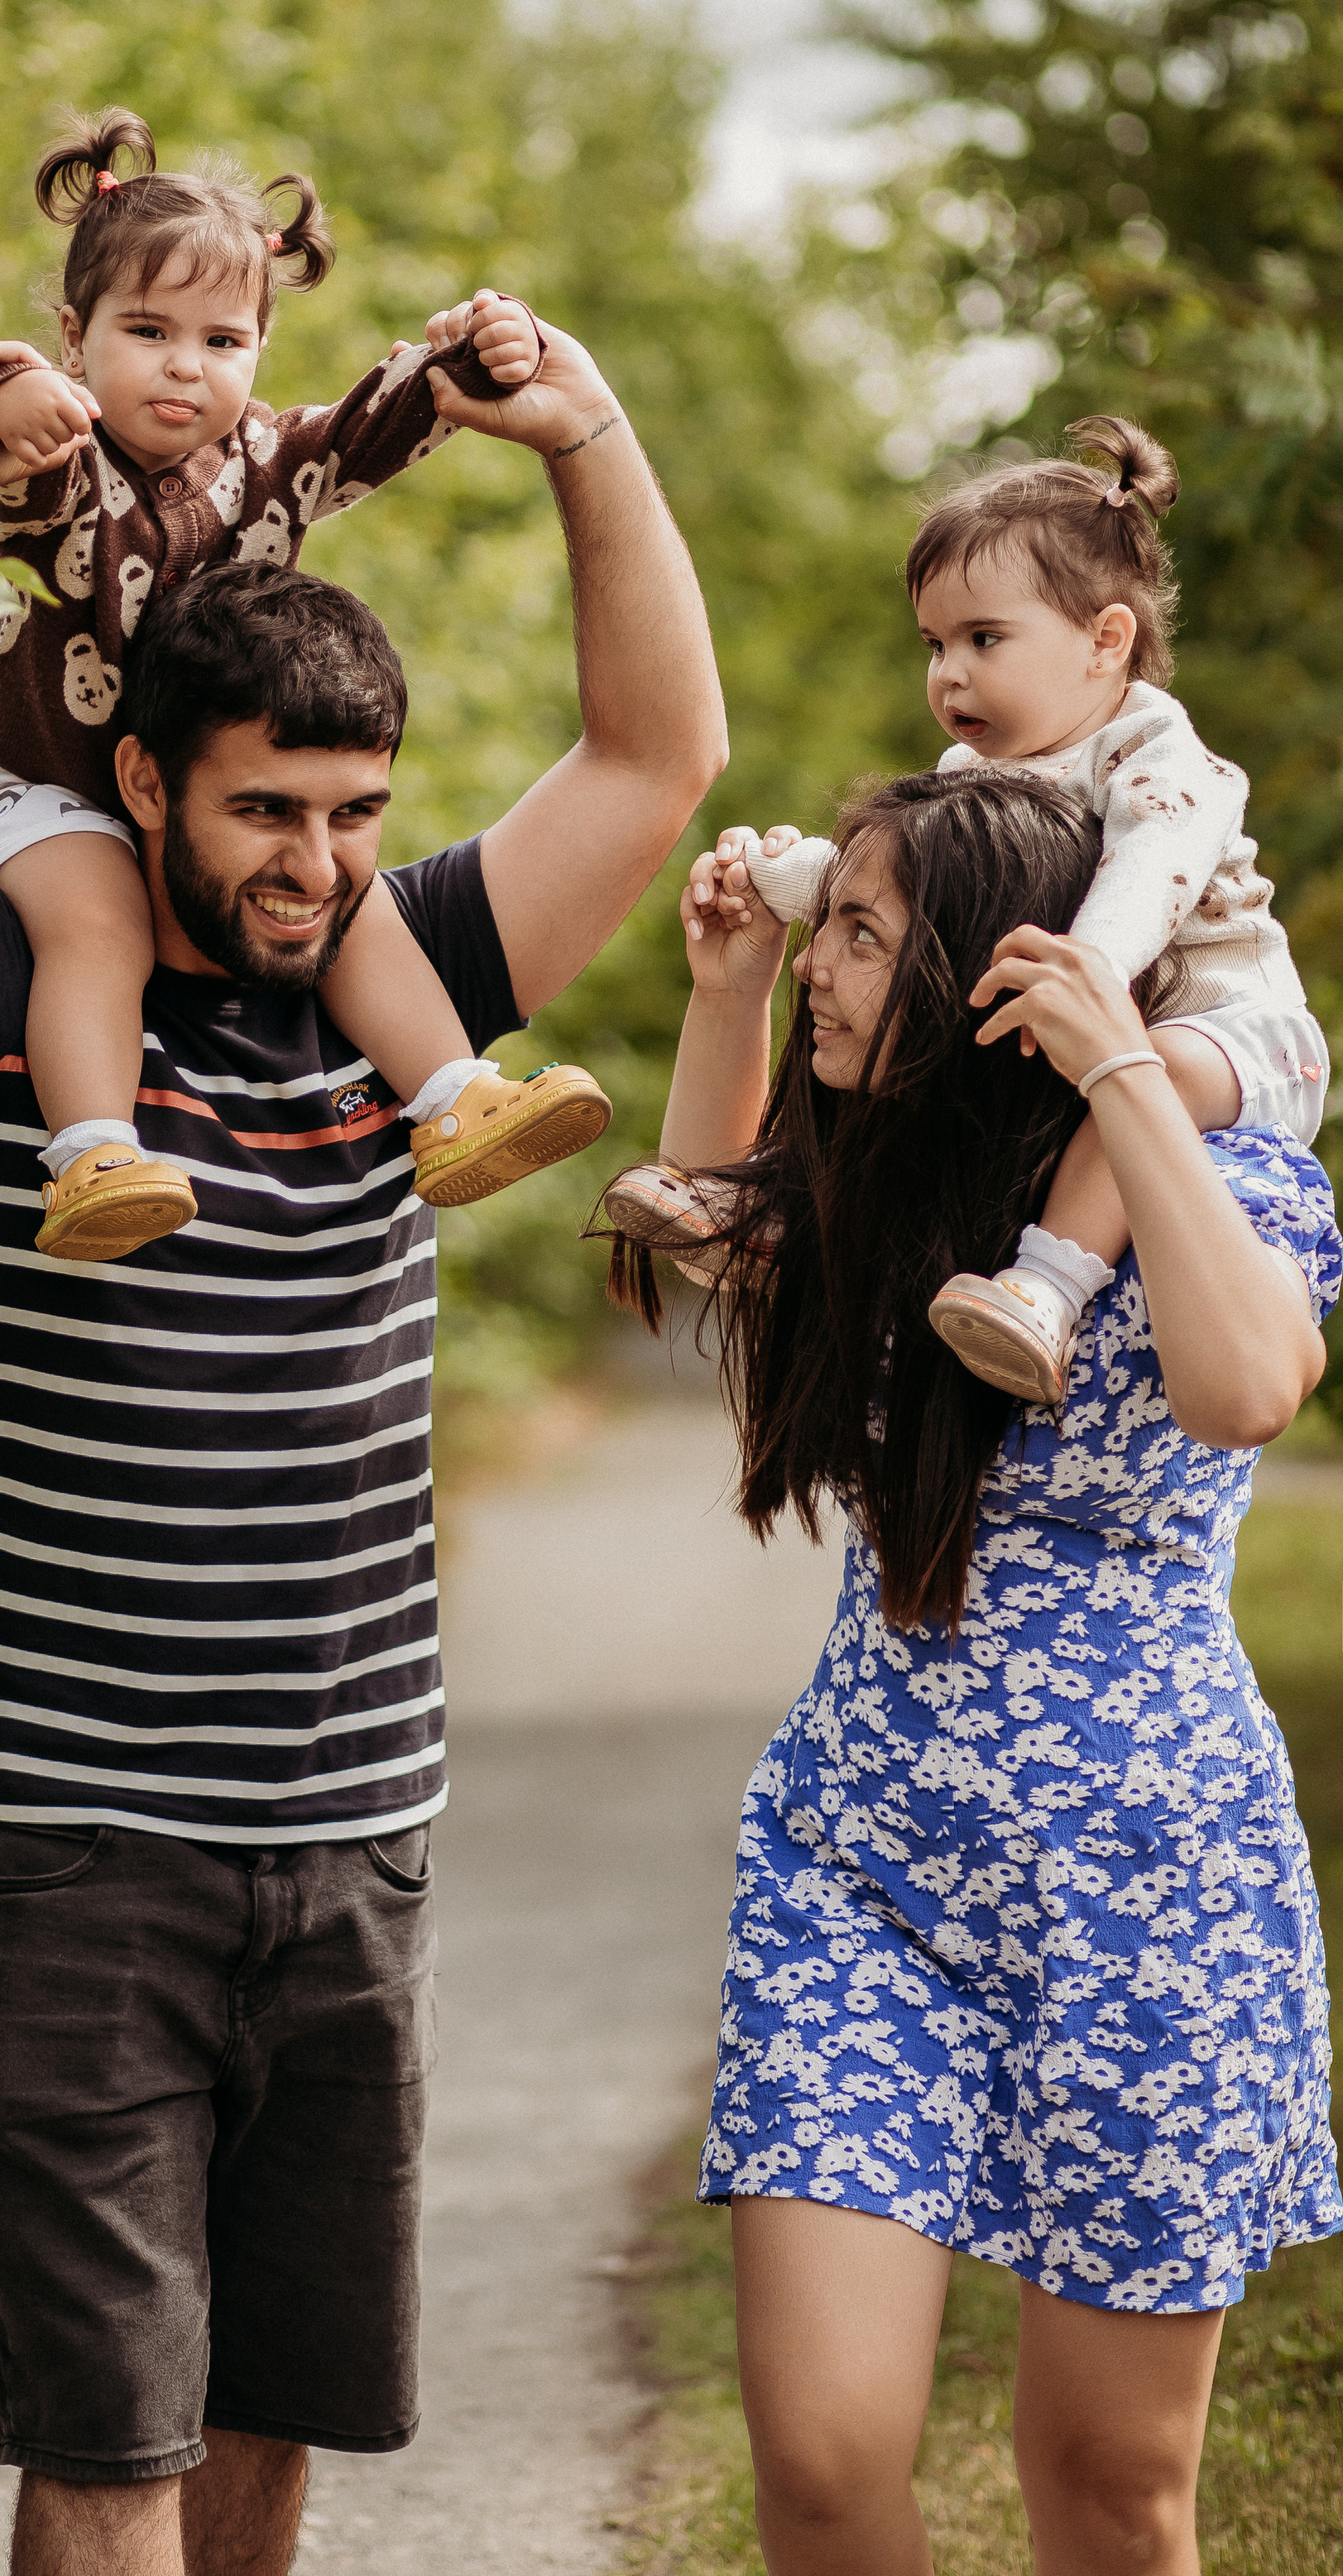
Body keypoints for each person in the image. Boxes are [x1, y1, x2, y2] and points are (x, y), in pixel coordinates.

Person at [0, 318, 726, 2576]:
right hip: (76, 1846)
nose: (317, 864)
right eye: (267, 811)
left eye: (355, 815)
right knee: (110, 2454)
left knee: (264, 2426)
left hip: (353, 1837)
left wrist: (586, 430)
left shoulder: (403, 987)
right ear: (145, 784)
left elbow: (655, 756)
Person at [620, 770, 1339, 2576]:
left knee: (1110, 2488)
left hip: (1145, 1898)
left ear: (981, 972)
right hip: (859, 1871)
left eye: (861, 937)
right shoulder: (885, 1179)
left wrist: (1118, 1066)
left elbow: (1248, 1387)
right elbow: (694, 1222)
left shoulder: (1218, 1176)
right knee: (819, 2455)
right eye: (830, 929)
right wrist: (726, 992)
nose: (825, 965)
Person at [0, 105, 610, 1262]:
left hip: (214, 799)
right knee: (97, 928)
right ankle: (93, 1154)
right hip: (54, 790)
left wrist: (469, 353)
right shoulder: (66, 466)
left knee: (348, 900)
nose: (184, 365)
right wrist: (11, 399)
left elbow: (370, 422)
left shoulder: (268, 460)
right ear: (74, 338)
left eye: (222, 340)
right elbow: (8, 449)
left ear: (259, 348)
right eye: (147, 331)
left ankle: (453, 1096)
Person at [607, 418, 1329, 1403]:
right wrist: (778, 894)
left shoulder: (1154, 754)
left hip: (1223, 1034)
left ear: (1106, 641)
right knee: (923, 1053)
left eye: (983, 639)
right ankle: (780, 1204)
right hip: (1082, 1022)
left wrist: (1092, 975)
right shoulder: (974, 775)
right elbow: (928, 906)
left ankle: (1050, 1282)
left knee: (1149, 1068)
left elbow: (1150, 867)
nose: (948, 672)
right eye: (935, 644)